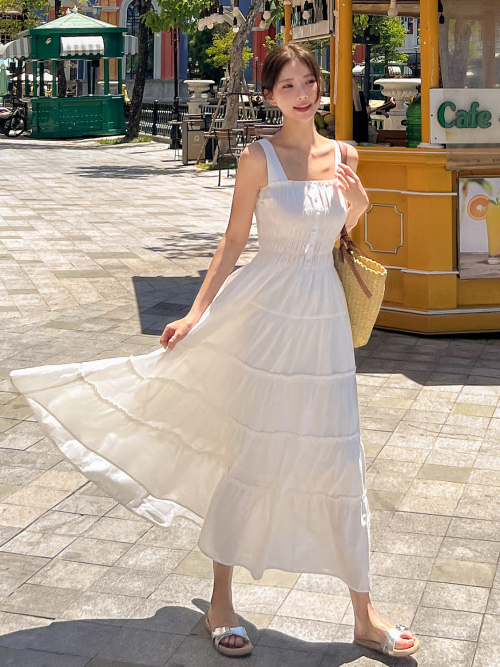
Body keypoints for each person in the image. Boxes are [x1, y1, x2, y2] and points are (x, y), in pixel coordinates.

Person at [10, 43, 419, 660]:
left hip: (323, 319)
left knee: (339, 454)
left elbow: (343, 232)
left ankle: (364, 615)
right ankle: (221, 600)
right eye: (288, 86)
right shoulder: (258, 158)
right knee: (249, 450)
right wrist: (195, 313)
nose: (302, 94)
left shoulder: (346, 155)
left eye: (309, 82)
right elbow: (232, 242)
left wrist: (357, 204)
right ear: (270, 95)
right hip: (264, 315)